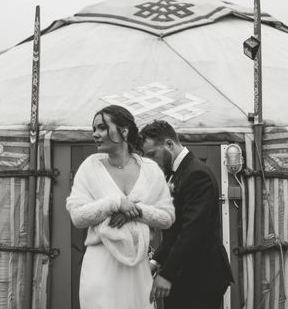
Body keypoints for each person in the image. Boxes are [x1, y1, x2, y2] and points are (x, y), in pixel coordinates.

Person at [66, 105, 175, 309]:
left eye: (101, 128)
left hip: (138, 268)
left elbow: (167, 217)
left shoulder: (150, 170)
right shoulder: (90, 167)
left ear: (124, 131)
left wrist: (136, 211)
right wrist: (115, 203)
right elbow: (78, 217)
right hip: (101, 264)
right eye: (94, 129)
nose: (95, 134)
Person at [140, 120, 234, 309]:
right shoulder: (175, 174)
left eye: (152, 155)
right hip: (186, 273)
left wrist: (167, 274)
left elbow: (192, 230)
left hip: (201, 275)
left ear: (169, 144)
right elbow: (175, 229)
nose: (151, 162)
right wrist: (156, 260)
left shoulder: (197, 174)